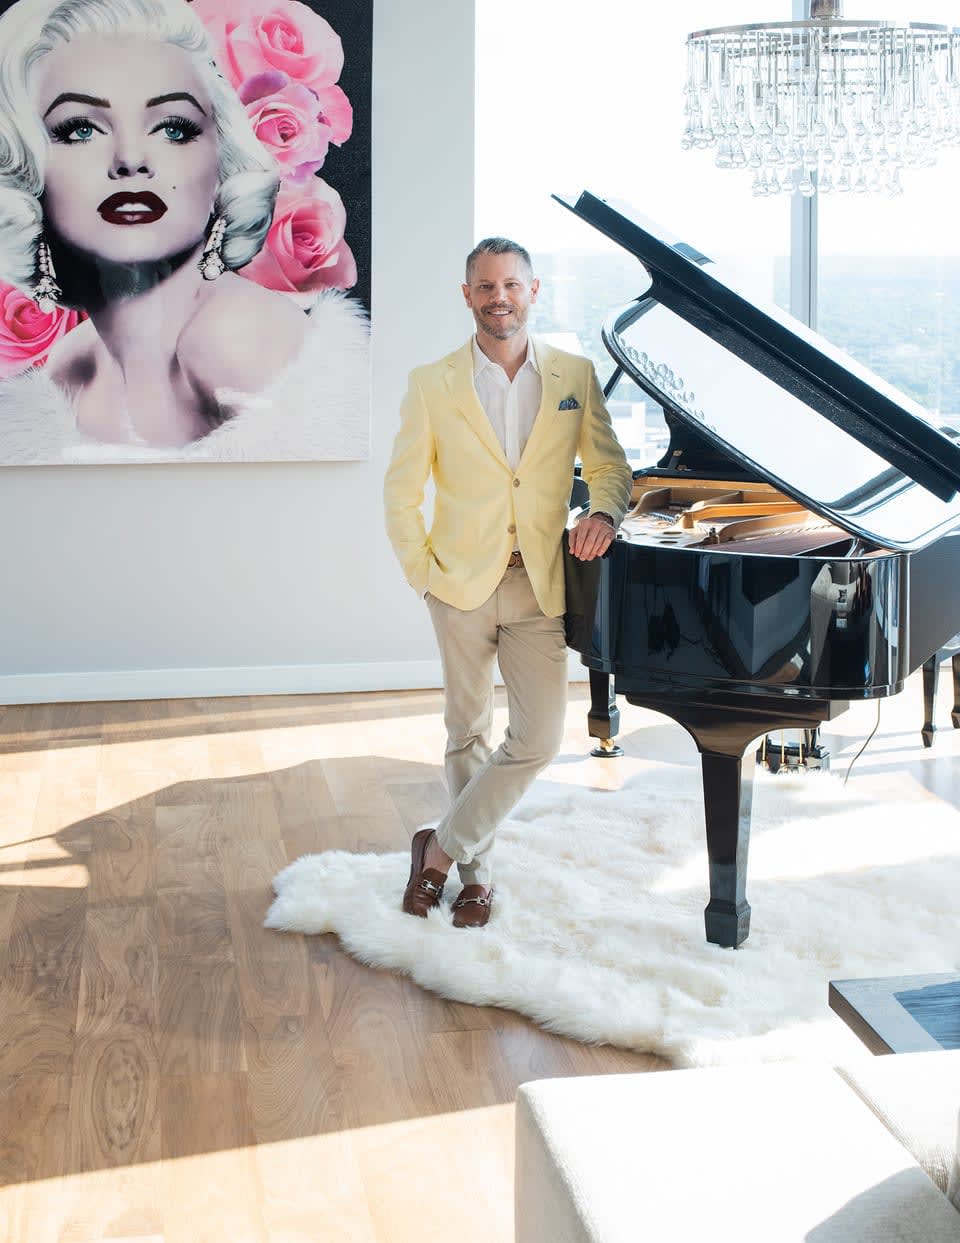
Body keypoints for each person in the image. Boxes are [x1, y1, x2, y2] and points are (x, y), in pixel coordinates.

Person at [383, 236, 633, 927]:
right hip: (458, 583)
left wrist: (605, 511)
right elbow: (400, 489)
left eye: (511, 285)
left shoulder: (573, 376)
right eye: (485, 286)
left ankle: (435, 850)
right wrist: (422, 574)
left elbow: (610, 468)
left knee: (539, 738)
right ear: (468, 295)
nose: (499, 298)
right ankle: (476, 879)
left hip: (539, 584)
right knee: (467, 733)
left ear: (533, 290)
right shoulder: (431, 383)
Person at [0, 0, 368, 464]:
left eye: (173, 129)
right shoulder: (71, 368)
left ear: (222, 160)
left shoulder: (241, 340)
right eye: (80, 130)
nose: (131, 158)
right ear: (24, 170)